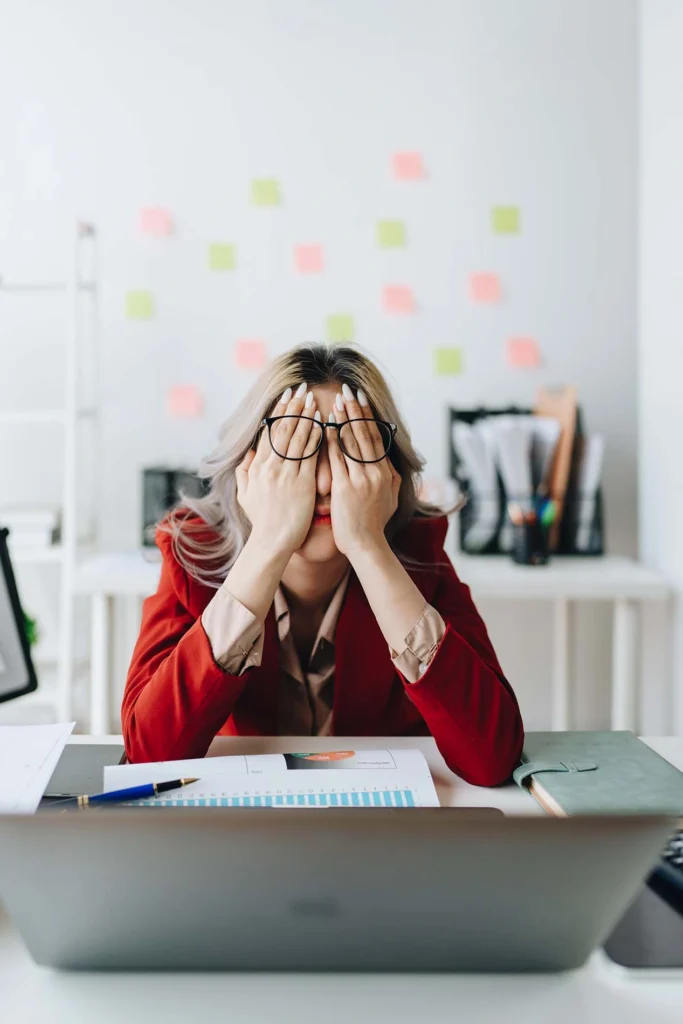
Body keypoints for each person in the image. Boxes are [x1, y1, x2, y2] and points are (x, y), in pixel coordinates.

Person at [122, 344, 523, 785]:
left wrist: (369, 546)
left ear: (388, 470)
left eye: (352, 450)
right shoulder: (192, 549)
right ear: (250, 466)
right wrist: (268, 543)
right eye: (299, 447)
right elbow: (150, 753)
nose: (328, 482)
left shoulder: (418, 553)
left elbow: (492, 757)